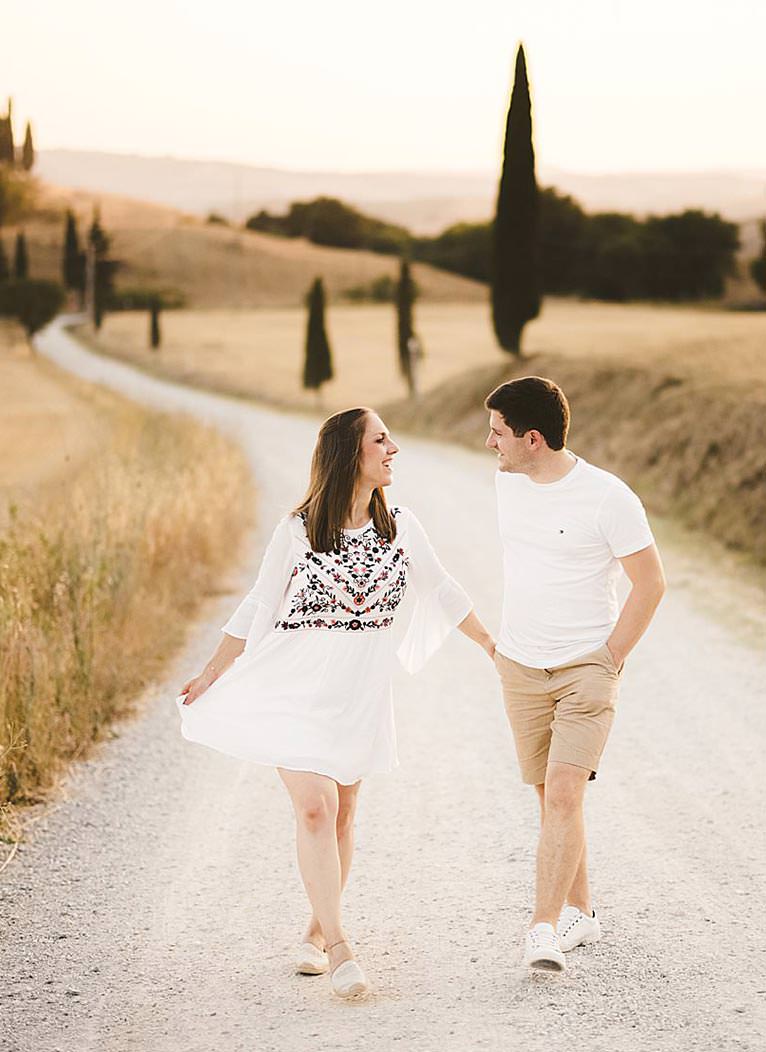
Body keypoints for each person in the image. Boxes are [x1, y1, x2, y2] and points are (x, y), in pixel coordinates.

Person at [177, 407, 495, 999]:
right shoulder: (297, 529)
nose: (393, 448)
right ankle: (344, 946)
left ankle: (316, 933)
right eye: (381, 440)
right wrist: (212, 671)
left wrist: (494, 649)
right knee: (317, 811)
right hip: (292, 689)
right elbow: (258, 605)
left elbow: (444, 590)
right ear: (352, 453)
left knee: (345, 814)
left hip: (358, 694)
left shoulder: (400, 526)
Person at [485, 377, 666, 973]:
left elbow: (651, 583)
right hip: (519, 665)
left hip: (585, 668)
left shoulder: (608, 497)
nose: (491, 443)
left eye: (499, 433)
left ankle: (541, 927)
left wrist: (610, 657)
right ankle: (581, 913)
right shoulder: (507, 486)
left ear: (532, 439)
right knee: (551, 799)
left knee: (564, 792)